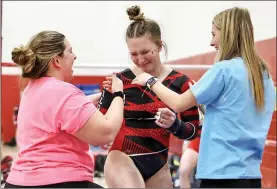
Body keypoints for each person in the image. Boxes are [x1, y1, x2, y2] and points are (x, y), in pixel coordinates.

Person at [132, 7, 276, 188]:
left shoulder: (223, 70)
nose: (211, 42)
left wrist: (150, 80)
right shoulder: (264, 76)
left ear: (228, 35)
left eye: (214, 34)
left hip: (221, 176)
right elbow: (239, 116)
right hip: (251, 176)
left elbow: (178, 103)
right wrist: (205, 108)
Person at [5, 30, 125, 188]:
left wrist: (89, 101)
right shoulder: (64, 92)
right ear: (57, 61)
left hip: (18, 182)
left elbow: (57, 112)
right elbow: (106, 133)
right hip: (56, 182)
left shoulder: (32, 89)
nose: (74, 56)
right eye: (70, 51)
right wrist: (118, 94)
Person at [100, 5, 200, 188]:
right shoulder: (120, 80)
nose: (140, 59)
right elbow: (100, 122)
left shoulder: (180, 82)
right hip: (122, 158)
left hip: (158, 164)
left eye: (145, 52)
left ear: (159, 46)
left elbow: (193, 131)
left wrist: (175, 125)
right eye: (133, 54)